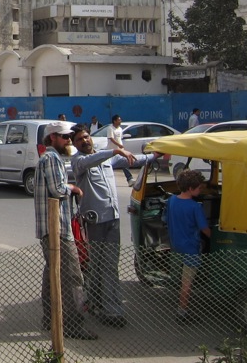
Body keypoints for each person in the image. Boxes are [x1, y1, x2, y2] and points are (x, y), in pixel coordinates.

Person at [70, 125, 158, 328]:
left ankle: (108, 308)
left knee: (109, 265)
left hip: (112, 219)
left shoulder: (106, 158)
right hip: (95, 222)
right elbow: (92, 160)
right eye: (79, 139)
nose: (84, 141)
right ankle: (104, 306)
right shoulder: (79, 161)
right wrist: (116, 150)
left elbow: (134, 159)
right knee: (97, 265)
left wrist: (155, 156)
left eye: (86, 137)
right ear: (74, 144)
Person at [34, 121, 97, 340]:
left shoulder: (50, 158)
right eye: (64, 137)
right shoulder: (51, 158)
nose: (68, 140)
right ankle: (73, 325)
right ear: (53, 138)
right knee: (72, 277)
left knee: (52, 274)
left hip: (53, 228)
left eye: (69, 136)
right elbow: (57, 189)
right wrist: (73, 188)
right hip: (57, 228)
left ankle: (50, 319)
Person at [166, 169, 211, 324]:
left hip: (175, 246)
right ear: (191, 188)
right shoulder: (195, 207)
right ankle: (182, 312)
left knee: (179, 279)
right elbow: (204, 228)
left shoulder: (171, 200)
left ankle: (181, 306)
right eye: (199, 188)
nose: (201, 190)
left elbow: (166, 219)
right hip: (191, 249)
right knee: (187, 283)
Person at [107, 115, 133, 186]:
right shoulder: (110, 128)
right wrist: (119, 145)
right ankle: (108, 180)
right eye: (119, 120)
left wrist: (121, 146)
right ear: (114, 121)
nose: (120, 121)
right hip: (112, 150)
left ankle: (130, 179)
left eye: (120, 120)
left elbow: (120, 138)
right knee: (110, 166)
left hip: (120, 150)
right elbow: (111, 139)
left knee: (124, 163)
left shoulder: (120, 129)